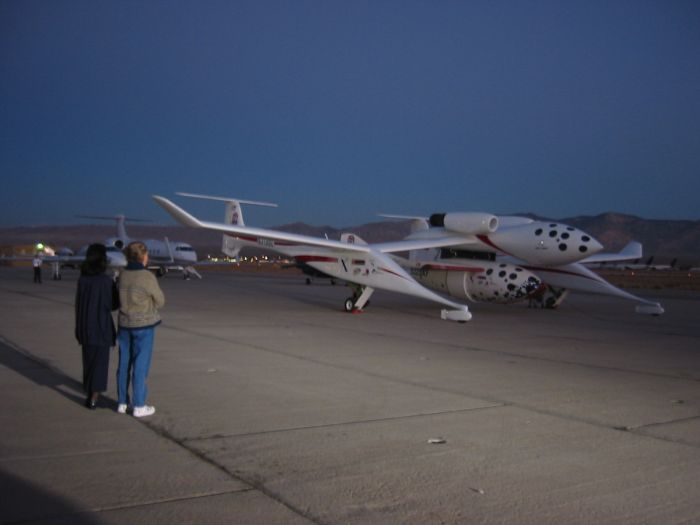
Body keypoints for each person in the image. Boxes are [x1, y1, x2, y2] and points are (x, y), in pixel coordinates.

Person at [117, 241, 165, 417]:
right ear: (143, 256)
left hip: (124, 324)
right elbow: (160, 301)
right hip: (143, 326)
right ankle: (139, 404)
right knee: (140, 365)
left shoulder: (122, 275)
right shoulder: (147, 276)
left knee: (123, 364)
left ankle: (122, 402)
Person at [75, 244, 119, 409]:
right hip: (100, 327)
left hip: (84, 326)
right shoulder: (105, 281)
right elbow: (113, 304)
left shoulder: (83, 280)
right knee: (100, 363)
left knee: (88, 361)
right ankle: (93, 396)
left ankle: (89, 390)